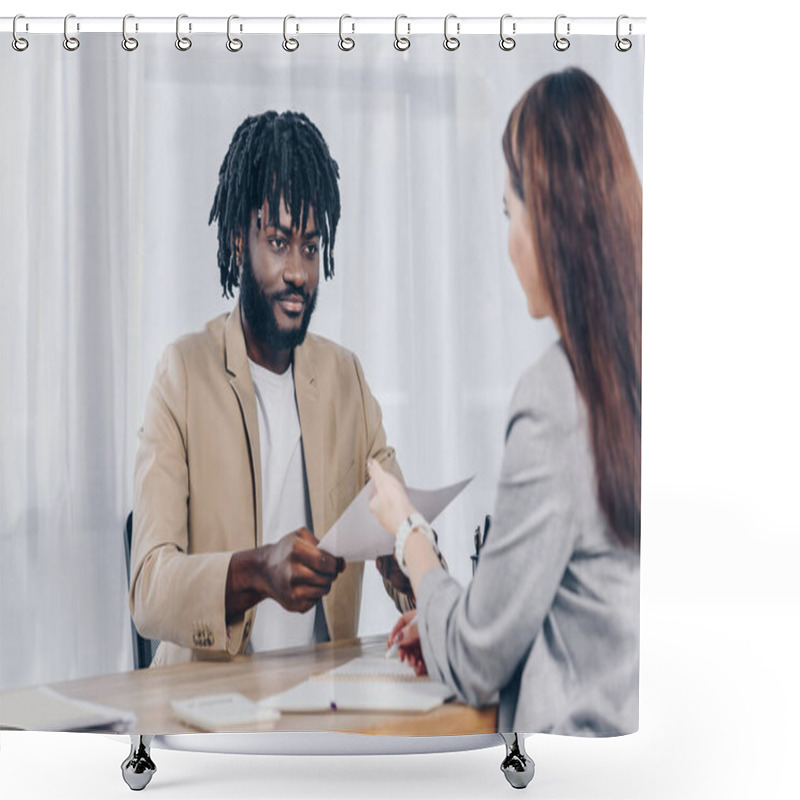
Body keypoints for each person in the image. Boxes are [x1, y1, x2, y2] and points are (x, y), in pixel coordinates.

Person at [368, 67, 642, 735]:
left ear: (545, 218)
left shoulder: (555, 397)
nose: (508, 240)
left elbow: (477, 656)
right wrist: (443, 623)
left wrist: (409, 534)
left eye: (507, 211)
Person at [130, 110, 414, 668]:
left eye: (310, 248)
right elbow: (148, 588)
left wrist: (410, 562)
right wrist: (257, 571)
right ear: (240, 243)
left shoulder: (345, 379)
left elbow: (405, 518)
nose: (298, 273)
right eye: (279, 243)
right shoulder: (181, 375)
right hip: (206, 707)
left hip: (320, 702)